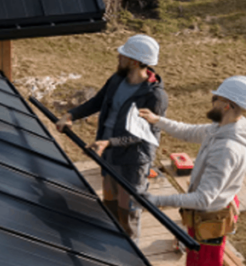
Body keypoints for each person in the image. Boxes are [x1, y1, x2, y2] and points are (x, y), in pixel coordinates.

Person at [137, 75, 246, 266]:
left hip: (212, 216)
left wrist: (157, 201)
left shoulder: (228, 148)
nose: (211, 100)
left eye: (215, 98)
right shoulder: (222, 128)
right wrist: (157, 120)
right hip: (204, 213)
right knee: (195, 257)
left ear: (226, 104)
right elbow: (189, 130)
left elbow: (204, 198)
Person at [56, 35, 168, 239]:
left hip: (133, 161)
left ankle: (131, 254)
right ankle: (111, 245)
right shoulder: (117, 80)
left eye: (123, 54)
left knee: (128, 211)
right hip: (108, 154)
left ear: (134, 61)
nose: (118, 56)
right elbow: (97, 102)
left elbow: (141, 135)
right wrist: (70, 115)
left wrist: (108, 142)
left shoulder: (154, 96)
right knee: (109, 205)